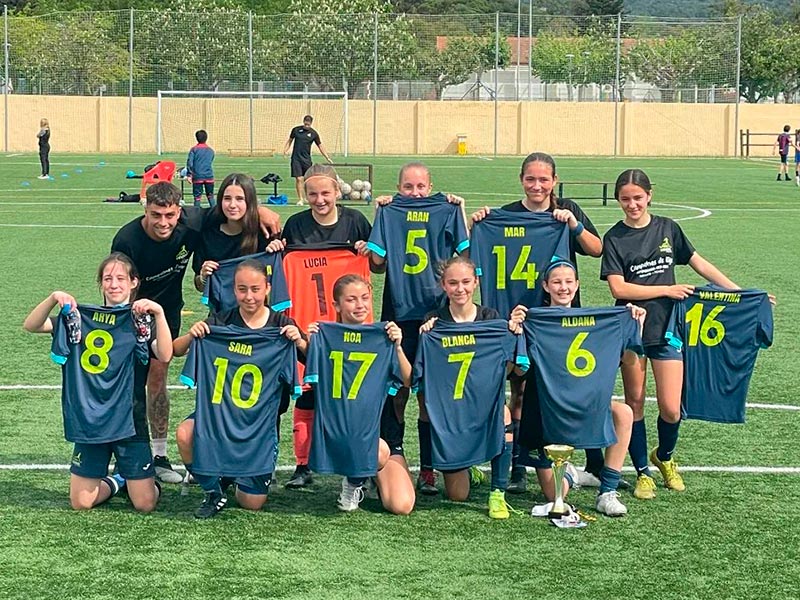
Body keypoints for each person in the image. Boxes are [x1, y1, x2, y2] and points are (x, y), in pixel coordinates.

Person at [111, 181, 281, 484]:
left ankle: (160, 456)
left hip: (167, 312)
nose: (163, 222)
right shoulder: (127, 239)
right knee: (129, 382)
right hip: (133, 312)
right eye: (156, 215)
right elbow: (119, 285)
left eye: (170, 215)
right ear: (145, 210)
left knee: (158, 376)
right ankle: (124, 454)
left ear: (180, 211)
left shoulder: (193, 220)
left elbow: (232, 209)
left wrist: (262, 210)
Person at [601, 168, 741, 499]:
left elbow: (700, 264)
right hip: (632, 327)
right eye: (625, 199)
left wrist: (740, 293)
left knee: (671, 408)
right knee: (634, 400)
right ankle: (641, 473)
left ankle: (663, 457)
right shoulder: (614, 238)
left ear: (649, 195)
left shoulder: (668, 228)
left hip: (667, 329)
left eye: (637, 198)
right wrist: (667, 289)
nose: (632, 205)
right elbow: (618, 288)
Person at [470, 152, 603, 494]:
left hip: (557, 319)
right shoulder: (505, 215)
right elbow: (470, 253)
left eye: (544, 180)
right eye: (531, 179)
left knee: (563, 388)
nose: (537, 185)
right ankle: (518, 463)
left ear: (554, 181)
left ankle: (581, 462)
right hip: (515, 318)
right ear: (521, 180)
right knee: (518, 389)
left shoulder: (565, 211)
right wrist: (477, 222)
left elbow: (596, 248)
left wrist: (573, 224)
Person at [23, 253, 171, 512]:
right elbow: (32, 325)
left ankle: (144, 482)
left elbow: (165, 354)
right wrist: (54, 297)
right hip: (92, 419)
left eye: (120, 278)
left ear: (134, 282)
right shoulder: (80, 319)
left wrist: (159, 313)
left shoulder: (142, 321)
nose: (114, 284)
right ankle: (118, 480)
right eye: (108, 279)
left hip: (129, 418)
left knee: (145, 504)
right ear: (101, 284)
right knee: (81, 503)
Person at [173, 259, 307, 518]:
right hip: (220, 418)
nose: (249, 296)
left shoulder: (281, 324)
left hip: (259, 426)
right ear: (234, 291)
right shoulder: (221, 321)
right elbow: (176, 351)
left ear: (268, 288)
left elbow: (315, 360)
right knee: (184, 433)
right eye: (242, 289)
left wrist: (300, 342)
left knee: (251, 503)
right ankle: (213, 489)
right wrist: (193, 334)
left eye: (255, 289)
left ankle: (230, 474)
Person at [267, 164, 373, 489]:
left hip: (349, 327)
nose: (319, 199)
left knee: (352, 398)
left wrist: (369, 252)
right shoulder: (296, 225)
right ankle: (302, 464)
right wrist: (276, 251)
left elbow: (380, 265)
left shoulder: (355, 221)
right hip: (308, 325)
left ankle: (358, 466)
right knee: (307, 393)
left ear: (337, 192)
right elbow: (282, 270)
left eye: (325, 192)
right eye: (312, 193)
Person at [368, 162, 470, 496]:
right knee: (395, 389)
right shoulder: (389, 210)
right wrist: (380, 215)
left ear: (431, 186)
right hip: (399, 311)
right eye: (408, 187)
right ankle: (392, 454)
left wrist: (461, 210)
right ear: (398, 188)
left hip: (437, 314)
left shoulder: (447, 208)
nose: (415, 193)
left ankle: (428, 468)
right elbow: (378, 264)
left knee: (430, 394)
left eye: (421, 187)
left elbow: (465, 254)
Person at [510, 259, 640, 517]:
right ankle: (569, 471)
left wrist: (635, 324)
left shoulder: (599, 320)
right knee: (555, 495)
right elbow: (519, 371)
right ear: (546, 286)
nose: (563, 287)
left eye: (569, 282)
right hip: (548, 410)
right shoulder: (534, 320)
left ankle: (607, 491)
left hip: (587, 404)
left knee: (623, 413)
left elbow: (628, 360)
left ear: (577, 285)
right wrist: (516, 332)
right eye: (557, 282)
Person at [305, 274, 415, 515]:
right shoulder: (325, 337)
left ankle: (359, 478)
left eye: (365, 298)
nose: (360, 305)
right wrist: (309, 341)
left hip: (378, 436)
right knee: (371, 450)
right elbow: (310, 370)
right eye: (352, 300)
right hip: (341, 429)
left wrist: (397, 346)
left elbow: (408, 379)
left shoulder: (382, 337)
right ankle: (357, 479)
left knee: (402, 505)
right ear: (337, 305)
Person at [417, 256, 516, 519]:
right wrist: (425, 335)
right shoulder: (435, 321)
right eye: (452, 283)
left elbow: (507, 370)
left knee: (503, 417)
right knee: (457, 496)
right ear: (443, 285)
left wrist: (512, 333)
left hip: (483, 401)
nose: (459, 289)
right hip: (452, 407)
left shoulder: (490, 318)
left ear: (476, 282)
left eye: (465, 282)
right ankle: (469, 465)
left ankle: (498, 493)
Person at [283, 115, 332, 205]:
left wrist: (327, 157)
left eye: (308, 123)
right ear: (303, 121)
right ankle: (300, 199)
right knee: (298, 179)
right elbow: (290, 140)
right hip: (296, 158)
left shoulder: (313, 133)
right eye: (305, 122)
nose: (307, 124)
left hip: (306, 159)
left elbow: (320, 145)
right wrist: (285, 150)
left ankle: (307, 197)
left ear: (311, 123)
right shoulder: (296, 130)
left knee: (308, 180)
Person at [187, 129, 216, 207]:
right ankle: (216, 213)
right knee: (210, 196)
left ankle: (196, 214)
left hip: (198, 176)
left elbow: (190, 163)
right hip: (209, 176)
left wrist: (189, 175)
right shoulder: (211, 150)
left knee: (197, 197)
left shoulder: (194, 150)